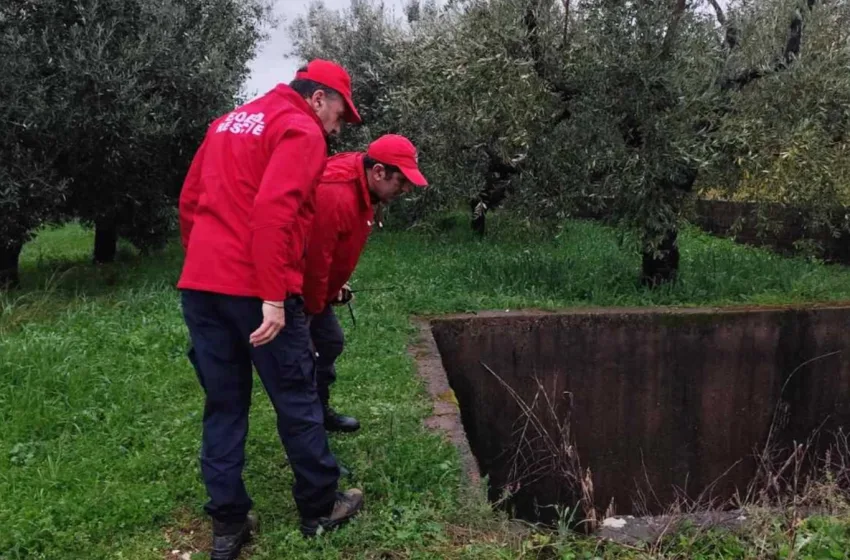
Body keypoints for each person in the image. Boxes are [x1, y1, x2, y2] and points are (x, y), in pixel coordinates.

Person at [177, 59, 364, 559]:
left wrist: (207, 266)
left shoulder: (226, 122)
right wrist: (273, 296)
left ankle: (228, 523)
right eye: (340, 115)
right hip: (257, 290)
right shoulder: (300, 129)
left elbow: (190, 202)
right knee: (297, 396)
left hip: (201, 285)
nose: (338, 128)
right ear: (318, 98)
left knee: (224, 404)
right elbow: (274, 212)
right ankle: (320, 506)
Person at [302, 134, 429, 432]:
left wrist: (335, 286)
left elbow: (335, 249)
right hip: (297, 289)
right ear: (379, 172)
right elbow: (314, 260)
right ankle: (306, 432)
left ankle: (319, 411)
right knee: (302, 358)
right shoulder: (335, 194)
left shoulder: (364, 184)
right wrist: (310, 311)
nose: (406, 189)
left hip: (316, 288)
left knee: (329, 342)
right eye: (402, 181)